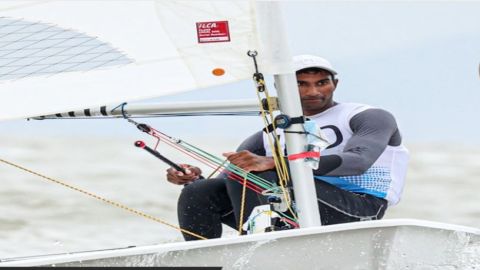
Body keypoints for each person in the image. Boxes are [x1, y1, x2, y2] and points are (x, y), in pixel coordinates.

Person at [166, 55, 409, 241]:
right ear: (282, 87)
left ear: (335, 83)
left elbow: (358, 161)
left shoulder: (367, 117)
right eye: (301, 84)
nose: (313, 91)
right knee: (200, 191)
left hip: (358, 209)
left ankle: (265, 244)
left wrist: (277, 163)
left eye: (322, 83)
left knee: (264, 172)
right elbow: (232, 181)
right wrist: (192, 178)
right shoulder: (270, 134)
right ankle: (208, 259)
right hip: (296, 209)